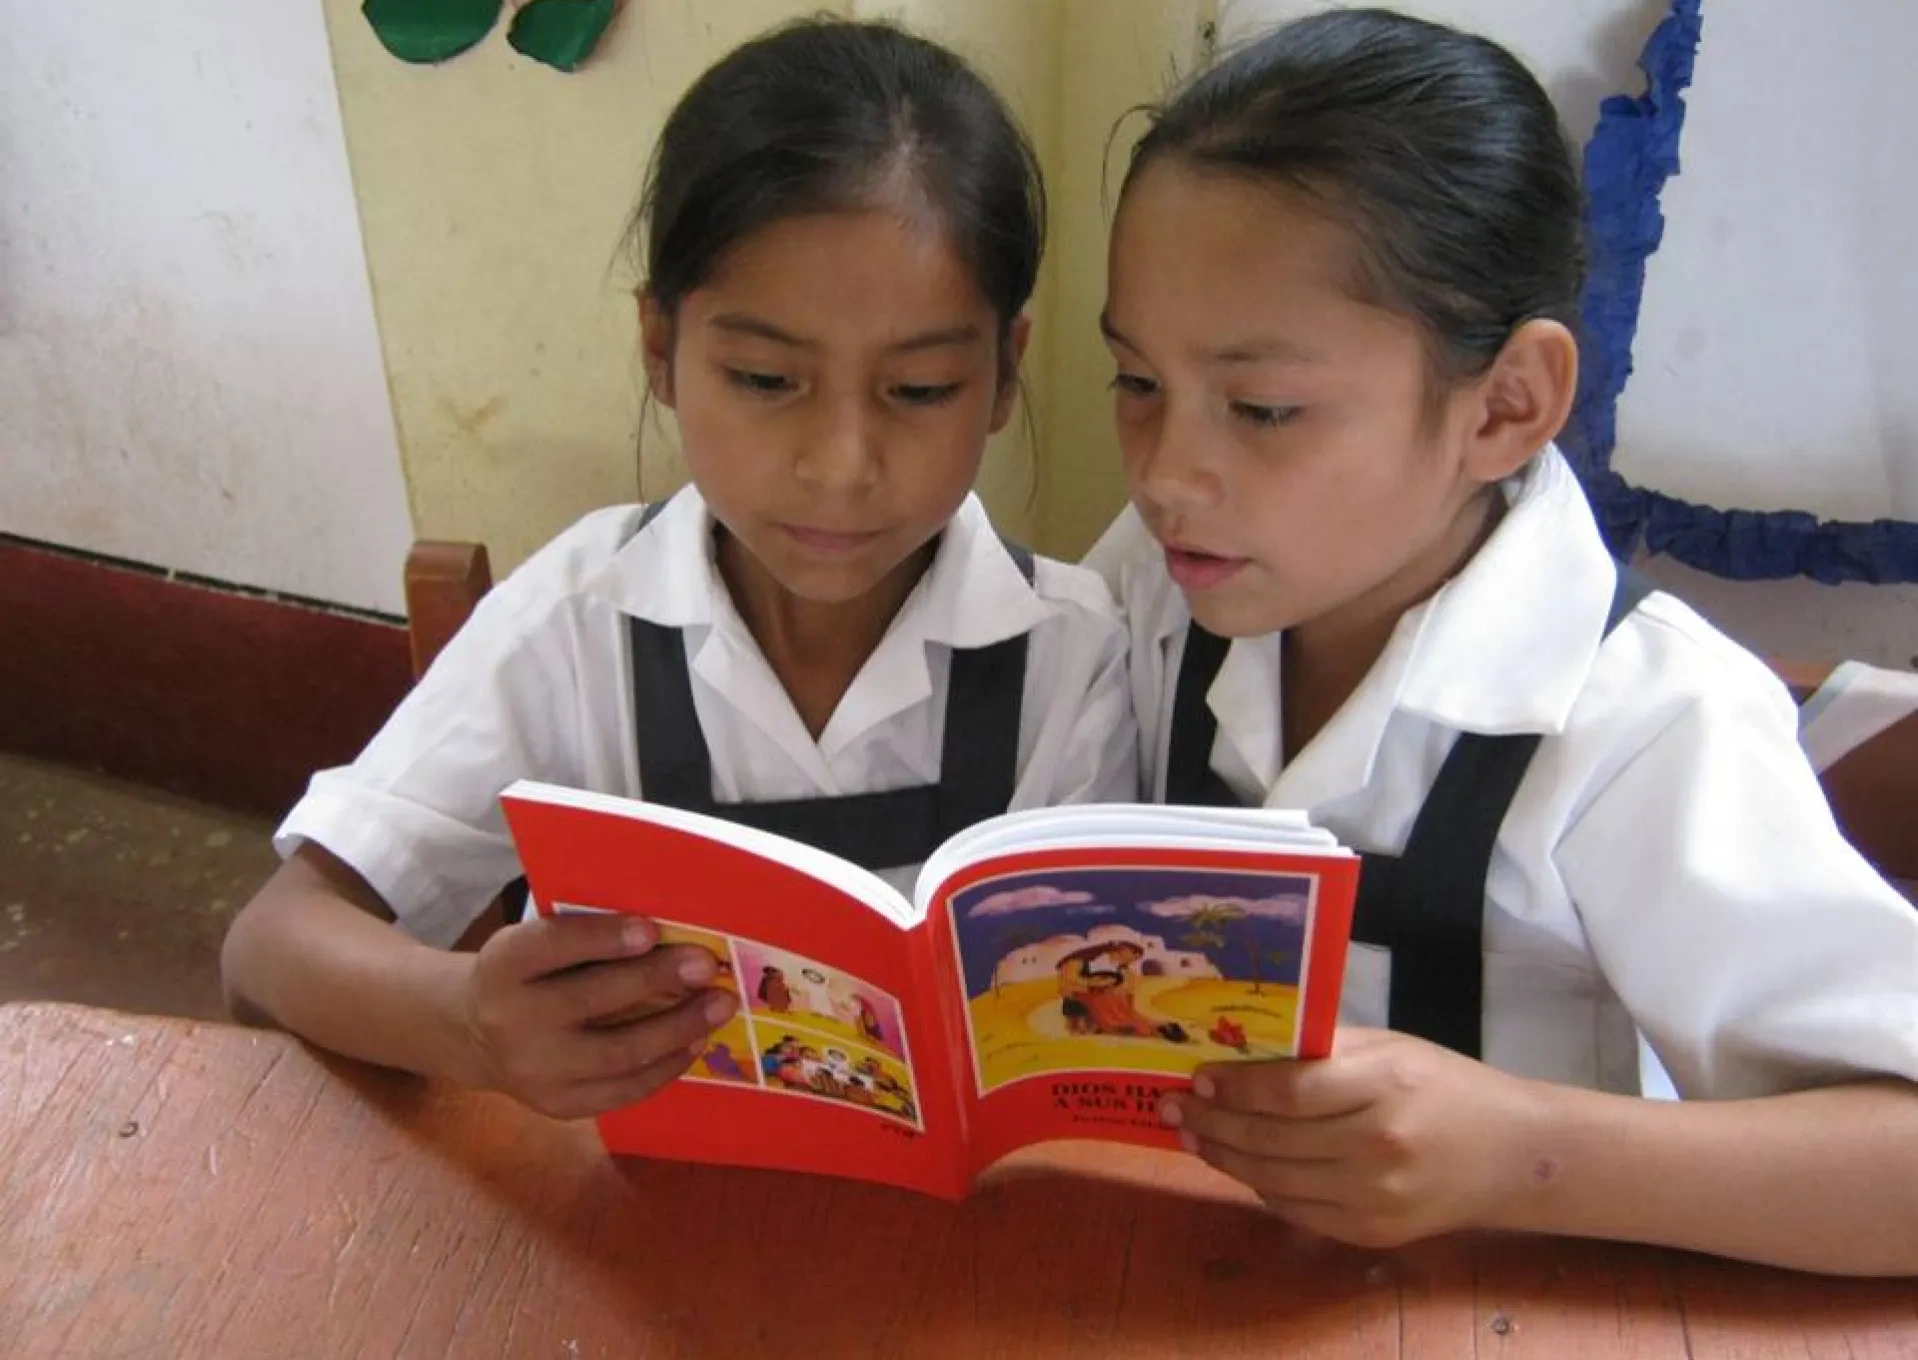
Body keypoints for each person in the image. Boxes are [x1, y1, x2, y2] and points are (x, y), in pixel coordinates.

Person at [1085, 8, 1918, 1275]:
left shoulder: (1647, 721)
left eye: (1260, 408)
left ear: (1507, 405)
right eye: (1137, 384)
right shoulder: (1158, 583)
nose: (1166, 475)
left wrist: (1523, 1149)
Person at [222, 17, 1135, 1127]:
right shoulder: (575, 624)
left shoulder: (1077, 657)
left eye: (920, 389)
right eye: (763, 377)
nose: (839, 467)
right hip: (639, 1248)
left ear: (1003, 375)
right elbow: (270, 945)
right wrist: (465, 1016)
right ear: (659, 348)